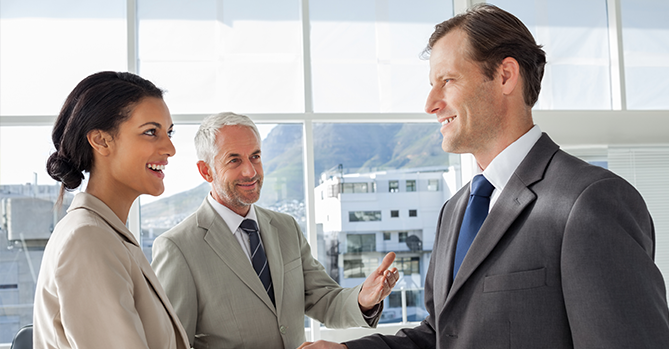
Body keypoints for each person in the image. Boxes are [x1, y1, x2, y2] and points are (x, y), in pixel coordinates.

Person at [299, 4, 669, 349]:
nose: (430, 103)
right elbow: (440, 334)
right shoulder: (454, 209)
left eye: (447, 80)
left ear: (505, 76)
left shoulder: (590, 201)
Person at [151, 112, 400, 349]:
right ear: (206, 171)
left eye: (255, 156)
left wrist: (362, 300)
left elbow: (322, 298)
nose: (250, 171)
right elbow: (172, 344)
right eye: (234, 160)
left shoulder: (286, 227)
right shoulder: (178, 247)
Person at [34, 71, 189, 348]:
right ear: (101, 141)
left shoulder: (106, 233)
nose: (170, 148)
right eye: (151, 132)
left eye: (169, 132)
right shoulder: (88, 239)